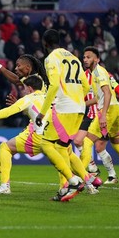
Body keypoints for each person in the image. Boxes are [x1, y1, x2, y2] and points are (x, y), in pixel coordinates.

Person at [0, 75, 80, 194]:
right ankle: (83, 181)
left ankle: (4, 186)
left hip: (39, 136)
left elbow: (7, 112)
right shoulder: (50, 97)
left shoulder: (29, 98)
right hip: (58, 134)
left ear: (30, 88)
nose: (23, 90)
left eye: (24, 88)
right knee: (65, 156)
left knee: (5, 147)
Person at [35, 29, 99, 201]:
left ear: (45, 43)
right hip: (79, 108)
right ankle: (67, 187)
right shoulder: (73, 57)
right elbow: (86, 86)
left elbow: (54, 85)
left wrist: (42, 112)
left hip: (64, 108)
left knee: (45, 144)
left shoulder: (51, 58)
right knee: (62, 147)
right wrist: (77, 98)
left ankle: (72, 180)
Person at [80, 46, 119, 185]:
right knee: (117, 147)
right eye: (84, 57)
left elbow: (108, 93)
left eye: (88, 57)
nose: (85, 59)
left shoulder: (99, 73)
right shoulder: (100, 73)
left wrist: (103, 115)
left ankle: (82, 178)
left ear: (97, 59)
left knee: (87, 141)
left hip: (108, 111)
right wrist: (84, 105)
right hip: (115, 110)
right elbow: (100, 97)